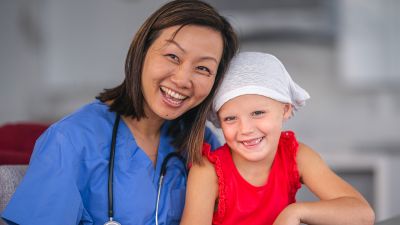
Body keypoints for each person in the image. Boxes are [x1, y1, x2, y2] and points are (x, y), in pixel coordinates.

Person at [2, 1, 238, 224]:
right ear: (142, 52)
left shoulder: (203, 144)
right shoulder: (70, 140)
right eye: (172, 56)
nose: (182, 79)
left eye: (203, 68)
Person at [180, 52, 375, 225]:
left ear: (285, 109)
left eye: (257, 113)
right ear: (219, 121)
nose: (246, 129)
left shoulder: (296, 157)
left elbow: (362, 214)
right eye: (230, 118)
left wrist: (295, 212)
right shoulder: (207, 172)